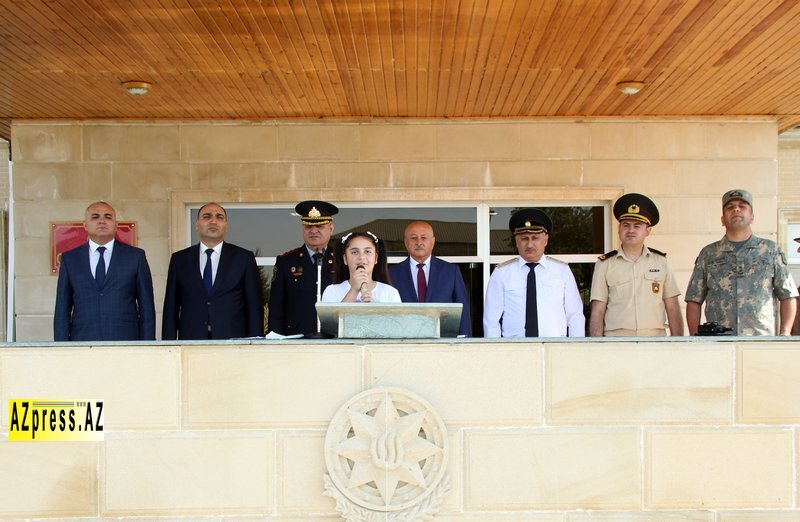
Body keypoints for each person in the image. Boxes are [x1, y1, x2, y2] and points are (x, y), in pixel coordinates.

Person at [685, 189, 798, 335]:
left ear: (752, 217)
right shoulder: (708, 254)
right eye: (730, 207)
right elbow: (694, 300)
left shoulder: (770, 250)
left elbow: (787, 295)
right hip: (719, 341)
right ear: (722, 220)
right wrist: (696, 338)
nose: (736, 209)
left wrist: (784, 334)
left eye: (742, 206)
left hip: (760, 340)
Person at [54, 201, 155, 341]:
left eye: (108, 217)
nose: (102, 221)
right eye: (95, 217)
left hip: (126, 342)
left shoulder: (135, 257)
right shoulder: (70, 259)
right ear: (85, 225)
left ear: (116, 225)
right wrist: (61, 347)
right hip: (82, 341)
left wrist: (147, 346)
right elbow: (62, 310)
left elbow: (147, 308)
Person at [162, 202, 263, 339]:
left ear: (226, 226)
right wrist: (168, 345)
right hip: (191, 341)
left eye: (219, 217)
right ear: (197, 224)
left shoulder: (244, 258)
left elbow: (254, 307)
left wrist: (255, 343)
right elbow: (170, 309)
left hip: (233, 341)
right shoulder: (179, 260)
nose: (213, 221)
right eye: (207, 216)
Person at [589, 193, 684, 336]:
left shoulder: (661, 262)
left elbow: (673, 308)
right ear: (619, 229)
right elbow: (597, 311)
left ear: (648, 231)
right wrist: (598, 345)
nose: (631, 230)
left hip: (654, 340)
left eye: (637, 225)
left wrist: (678, 344)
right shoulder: (604, 264)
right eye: (625, 225)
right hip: (617, 341)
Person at [483, 208, 585, 338]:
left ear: (546, 240)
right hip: (514, 346)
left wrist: (575, 346)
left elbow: (575, 315)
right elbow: (491, 320)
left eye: (535, 238)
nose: (530, 244)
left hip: (554, 346)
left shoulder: (562, 271)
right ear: (516, 241)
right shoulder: (501, 273)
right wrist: (496, 348)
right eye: (524, 238)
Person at [389, 221, 472, 336]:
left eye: (424, 238)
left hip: (443, 340)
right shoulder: (392, 274)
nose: (419, 242)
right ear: (406, 242)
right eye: (413, 238)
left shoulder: (450, 271)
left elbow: (463, 311)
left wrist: (465, 341)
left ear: (433, 242)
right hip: (405, 339)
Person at [268, 200, 339, 335]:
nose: (313, 231)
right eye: (308, 226)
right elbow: (276, 308)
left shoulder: (342, 260)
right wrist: (275, 338)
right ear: (302, 228)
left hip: (334, 336)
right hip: (296, 337)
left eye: (320, 226)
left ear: (331, 228)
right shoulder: (286, 262)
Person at [322, 231, 401, 303]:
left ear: (376, 258)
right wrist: (354, 290)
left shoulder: (390, 292)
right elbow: (334, 315)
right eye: (354, 252)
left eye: (367, 251)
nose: (361, 257)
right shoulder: (332, 291)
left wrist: (375, 308)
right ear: (345, 259)